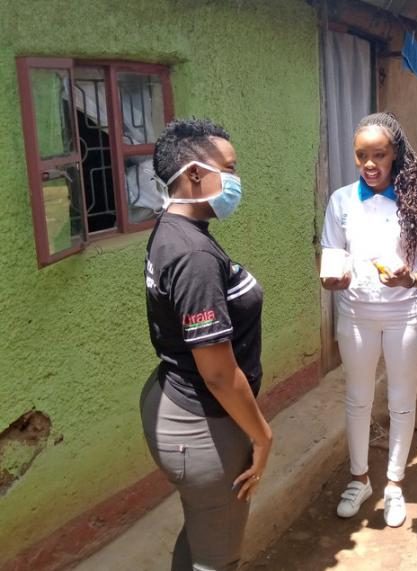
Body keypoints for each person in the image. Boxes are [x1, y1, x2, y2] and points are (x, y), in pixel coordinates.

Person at [140, 118, 273, 569]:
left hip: (178, 404)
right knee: (218, 558)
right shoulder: (194, 256)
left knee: (202, 531)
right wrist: (262, 435)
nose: (236, 181)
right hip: (203, 424)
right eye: (230, 169)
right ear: (195, 173)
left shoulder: (173, 232)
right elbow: (217, 372)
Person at [320, 112, 417, 528]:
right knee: (357, 399)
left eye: (379, 154)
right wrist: (334, 279)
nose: (369, 164)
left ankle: (393, 483)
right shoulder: (341, 202)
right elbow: (333, 254)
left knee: (400, 402)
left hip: (405, 315)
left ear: (396, 155)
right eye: (361, 156)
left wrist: (410, 277)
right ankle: (359, 480)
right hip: (355, 315)